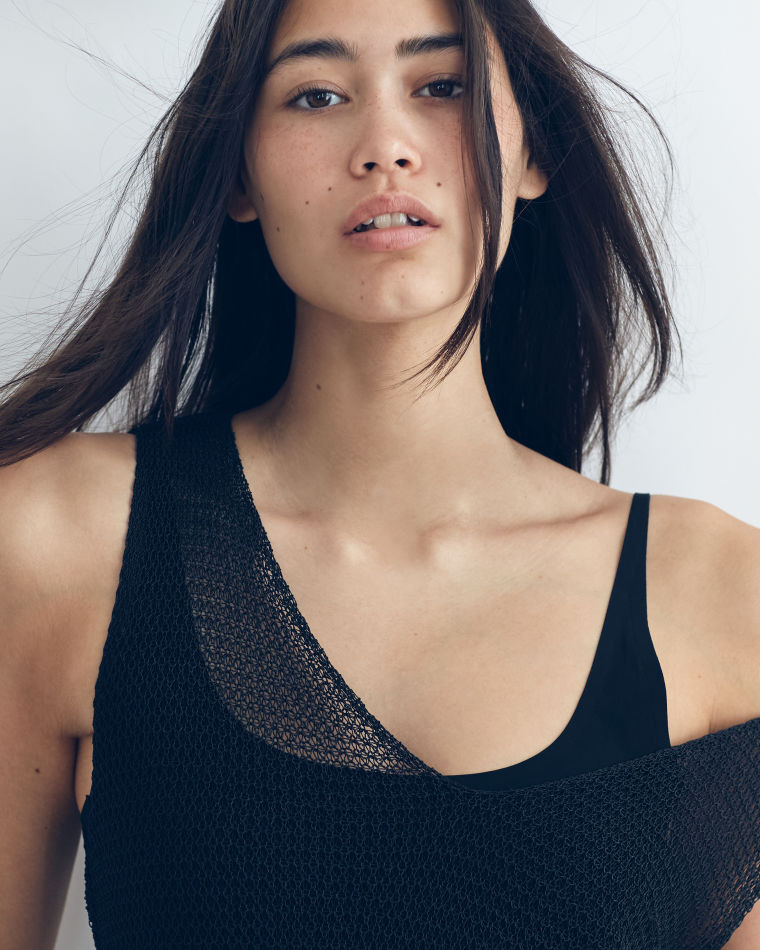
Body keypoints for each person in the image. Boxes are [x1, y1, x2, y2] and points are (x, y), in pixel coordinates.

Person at [1, 0, 759, 947]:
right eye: (316, 95)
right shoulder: (58, 539)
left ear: (535, 153)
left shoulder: (725, 597)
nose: (385, 147)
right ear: (238, 174)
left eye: (442, 85)